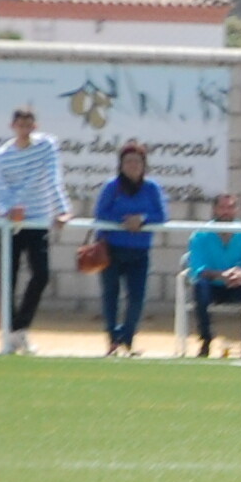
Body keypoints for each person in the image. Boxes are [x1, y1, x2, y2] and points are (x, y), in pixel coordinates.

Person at [0, 107, 69, 355]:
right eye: (20, 124)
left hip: (37, 220)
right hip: (11, 224)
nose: (24, 128)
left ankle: (19, 328)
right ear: (12, 126)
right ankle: (10, 335)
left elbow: (53, 177)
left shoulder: (47, 146)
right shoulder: (2, 155)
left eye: (29, 123)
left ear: (35, 126)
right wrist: (8, 210)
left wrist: (62, 209)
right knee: (7, 279)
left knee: (41, 274)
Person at [92, 141, 167, 356]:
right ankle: (112, 341)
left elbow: (161, 215)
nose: (133, 165)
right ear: (121, 164)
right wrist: (124, 221)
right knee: (110, 296)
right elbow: (101, 213)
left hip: (139, 252)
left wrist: (141, 219)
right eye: (128, 161)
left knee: (136, 298)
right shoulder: (112, 187)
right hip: (112, 250)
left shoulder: (151, 188)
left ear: (144, 164)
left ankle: (127, 339)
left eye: (137, 161)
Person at [184, 192, 241, 358]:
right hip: (212, 285)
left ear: (236, 210)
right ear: (214, 209)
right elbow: (197, 269)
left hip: (238, 286)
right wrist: (222, 275)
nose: (226, 212)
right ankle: (206, 340)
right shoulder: (201, 234)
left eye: (230, 207)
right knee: (200, 286)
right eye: (222, 207)